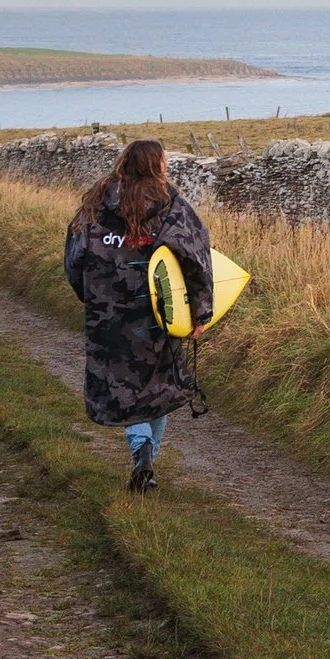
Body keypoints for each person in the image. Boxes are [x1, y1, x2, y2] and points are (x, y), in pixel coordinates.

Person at [63, 138, 211, 492]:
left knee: (124, 387)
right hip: (159, 314)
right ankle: (146, 459)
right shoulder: (169, 204)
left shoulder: (95, 204)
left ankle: (141, 452)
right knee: (155, 386)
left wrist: (90, 297)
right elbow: (196, 257)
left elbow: (74, 257)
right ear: (157, 165)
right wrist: (200, 311)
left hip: (108, 314)